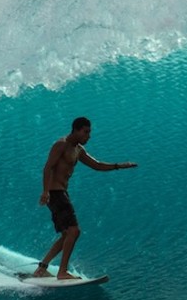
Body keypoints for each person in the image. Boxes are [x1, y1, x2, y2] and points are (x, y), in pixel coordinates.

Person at [34, 117, 136, 279]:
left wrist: (119, 166)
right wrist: (45, 191)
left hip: (62, 193)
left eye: (89, 132)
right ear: (75, 130)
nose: (88, 136)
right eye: (85, 132)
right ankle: (62, 272)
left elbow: (97, 165)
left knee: (68, 234)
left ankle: (41, 268)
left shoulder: (78, 150)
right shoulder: (61, 145)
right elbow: (48, 167)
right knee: (74, 231)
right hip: (55, 193)